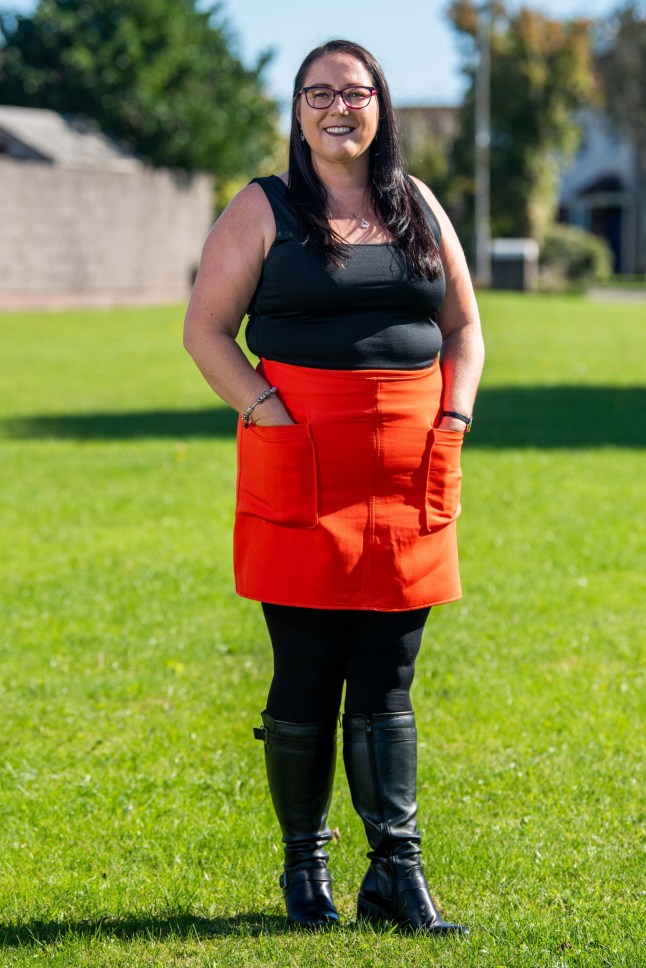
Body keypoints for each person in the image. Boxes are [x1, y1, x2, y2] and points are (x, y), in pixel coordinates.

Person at [183, 38, 484, 934]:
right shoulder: (263, 206)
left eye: (354, 93)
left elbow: (465, 325)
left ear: (381, 106)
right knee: (309, 672)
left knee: (389, 676)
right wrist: (265, 407)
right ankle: (305, 875)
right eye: (319, 94)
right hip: (301, 459)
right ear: (298, 111)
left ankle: (397, 874)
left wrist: (455, 416)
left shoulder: (418, 203)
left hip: (409, 466)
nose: (337, 108)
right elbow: (205, 330)